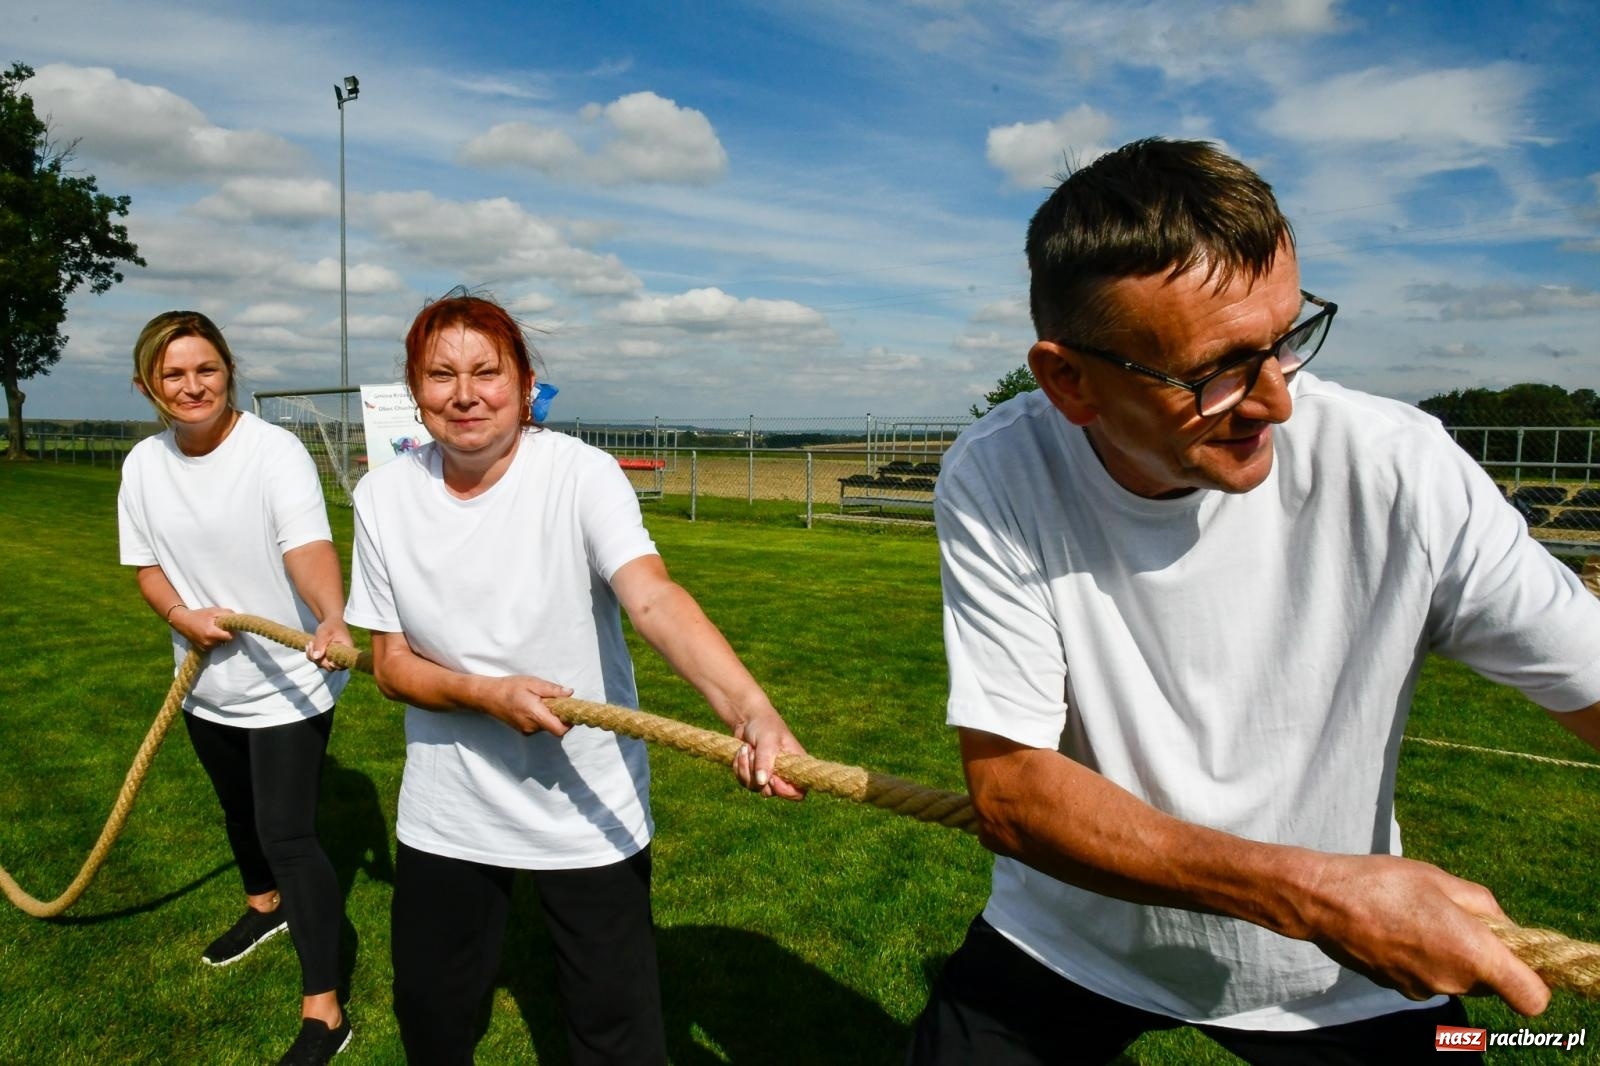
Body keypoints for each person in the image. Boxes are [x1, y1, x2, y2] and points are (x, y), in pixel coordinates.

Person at [909, 139, 1600, 1064]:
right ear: (1069, 379)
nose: (1277, 400)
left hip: (1342, 977)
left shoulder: (1402, 467)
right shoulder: (998, 472)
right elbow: (1012, 793)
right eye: (1220, 370)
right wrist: (1315, 894)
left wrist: (1325, 909)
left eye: (1288, 338)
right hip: (1076, 940)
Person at [344, 291, 807, 1065]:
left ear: (526, 385)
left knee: (616, 1030)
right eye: (440, 375)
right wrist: (486, 695)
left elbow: (653, 598)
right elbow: (391, 667)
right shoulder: (384, 496)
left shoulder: (582, 475)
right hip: (448, 812)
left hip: (589, 809)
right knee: (432, 1013)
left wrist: (750, 710)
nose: (464, 394)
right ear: (415, 391)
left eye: (487, 372)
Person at [118, 311, 356, 1064]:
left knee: (287, 831)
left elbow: (306, 546)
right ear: (149, 385)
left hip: (287, 682)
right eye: (174, 374)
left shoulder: (273, 452)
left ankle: (325, 1009)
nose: (192, 386)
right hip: (204, 683)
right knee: (236, 810)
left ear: (229, 371)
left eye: (206, 370)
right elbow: (146, 565)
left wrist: (332, 616)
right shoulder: (143, 466)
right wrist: (180, 614)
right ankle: (264, 908)